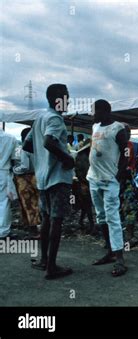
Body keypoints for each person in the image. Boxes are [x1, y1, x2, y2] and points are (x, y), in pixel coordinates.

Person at [23, 83, 75, 279]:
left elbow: (28, 145)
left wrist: (43, 161)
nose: (68, 101)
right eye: (66, 97)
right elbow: (48, 142)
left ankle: (44, 260)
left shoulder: (39, 118)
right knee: (56, 221)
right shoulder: (55, 118)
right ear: (57, 99)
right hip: (58, 177)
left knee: (46, 219)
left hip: (43, 178)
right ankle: (51, 267)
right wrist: (66, 158)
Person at [87, 99, 128, 277]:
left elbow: (124, 154)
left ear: (105, 111)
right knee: (101, 217)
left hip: (109, 179)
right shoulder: (95, 127)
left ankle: (120, 259)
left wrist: (119, 175)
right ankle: (110, 251)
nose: (93, 114)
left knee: (112, 217)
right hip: (93, 178)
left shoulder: (118, 129)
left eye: (95, 111)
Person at [13, 127, 41, 234]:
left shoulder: (24, 148)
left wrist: (15, 169)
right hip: (36, 177)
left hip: (25, 179)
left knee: (28, 203)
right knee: (36, 202)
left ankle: (32, 229)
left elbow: (24, 166)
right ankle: (36, 226)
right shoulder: (38, 148)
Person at [120, 123, 138, 242]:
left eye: (129, 132)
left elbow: (129, 162)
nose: (128, 135)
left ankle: (129, 233)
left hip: (126, 179)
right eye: (125, 132)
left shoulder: (129, 145)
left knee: (130, 206)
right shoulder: (121, 145)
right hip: (118, 179)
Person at [0, 126, 17, 239]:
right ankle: (3, 231)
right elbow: (14, 158)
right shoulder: (11, 138)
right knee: (4, 201)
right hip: (4, 172)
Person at [73, 141, 94, 233]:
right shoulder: (83, 157)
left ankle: (81, 221)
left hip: (82, 183)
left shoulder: (81, 156)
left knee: (85, 205)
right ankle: (91, 224)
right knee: (87, 204)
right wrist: (84, 183)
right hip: (84, 183)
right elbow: (83, 172)